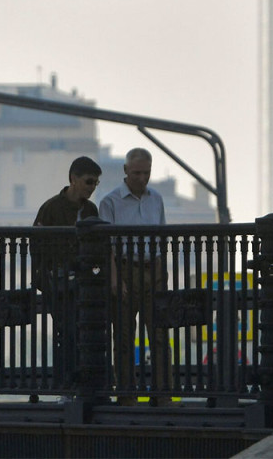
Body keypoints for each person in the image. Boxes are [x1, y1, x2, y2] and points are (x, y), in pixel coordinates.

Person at [97, 147, 170, 406]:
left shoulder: (156, 199)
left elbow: (160, 238)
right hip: (126, 269)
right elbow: (108, 247)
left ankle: (161, 394)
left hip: (153, 269)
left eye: (146, 173)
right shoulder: (110, 201)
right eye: (137, 172)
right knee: (125, 336)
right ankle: (126, 394)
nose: (142, 178)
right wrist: (116, 279)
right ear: (126, 171)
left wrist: (162, 274)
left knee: (160, 335)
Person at [32, 156, 101, 388]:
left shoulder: (91, 209)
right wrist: (45, 277)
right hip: (58, 283)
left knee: (85, 333)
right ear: (73, 179)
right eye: (89, 182)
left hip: (83, 283)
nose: (92, 188)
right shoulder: (51, 208)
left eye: (95, 184)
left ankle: (84, 384)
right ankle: (67, 385)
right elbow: (36, 245)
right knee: (67, 334)